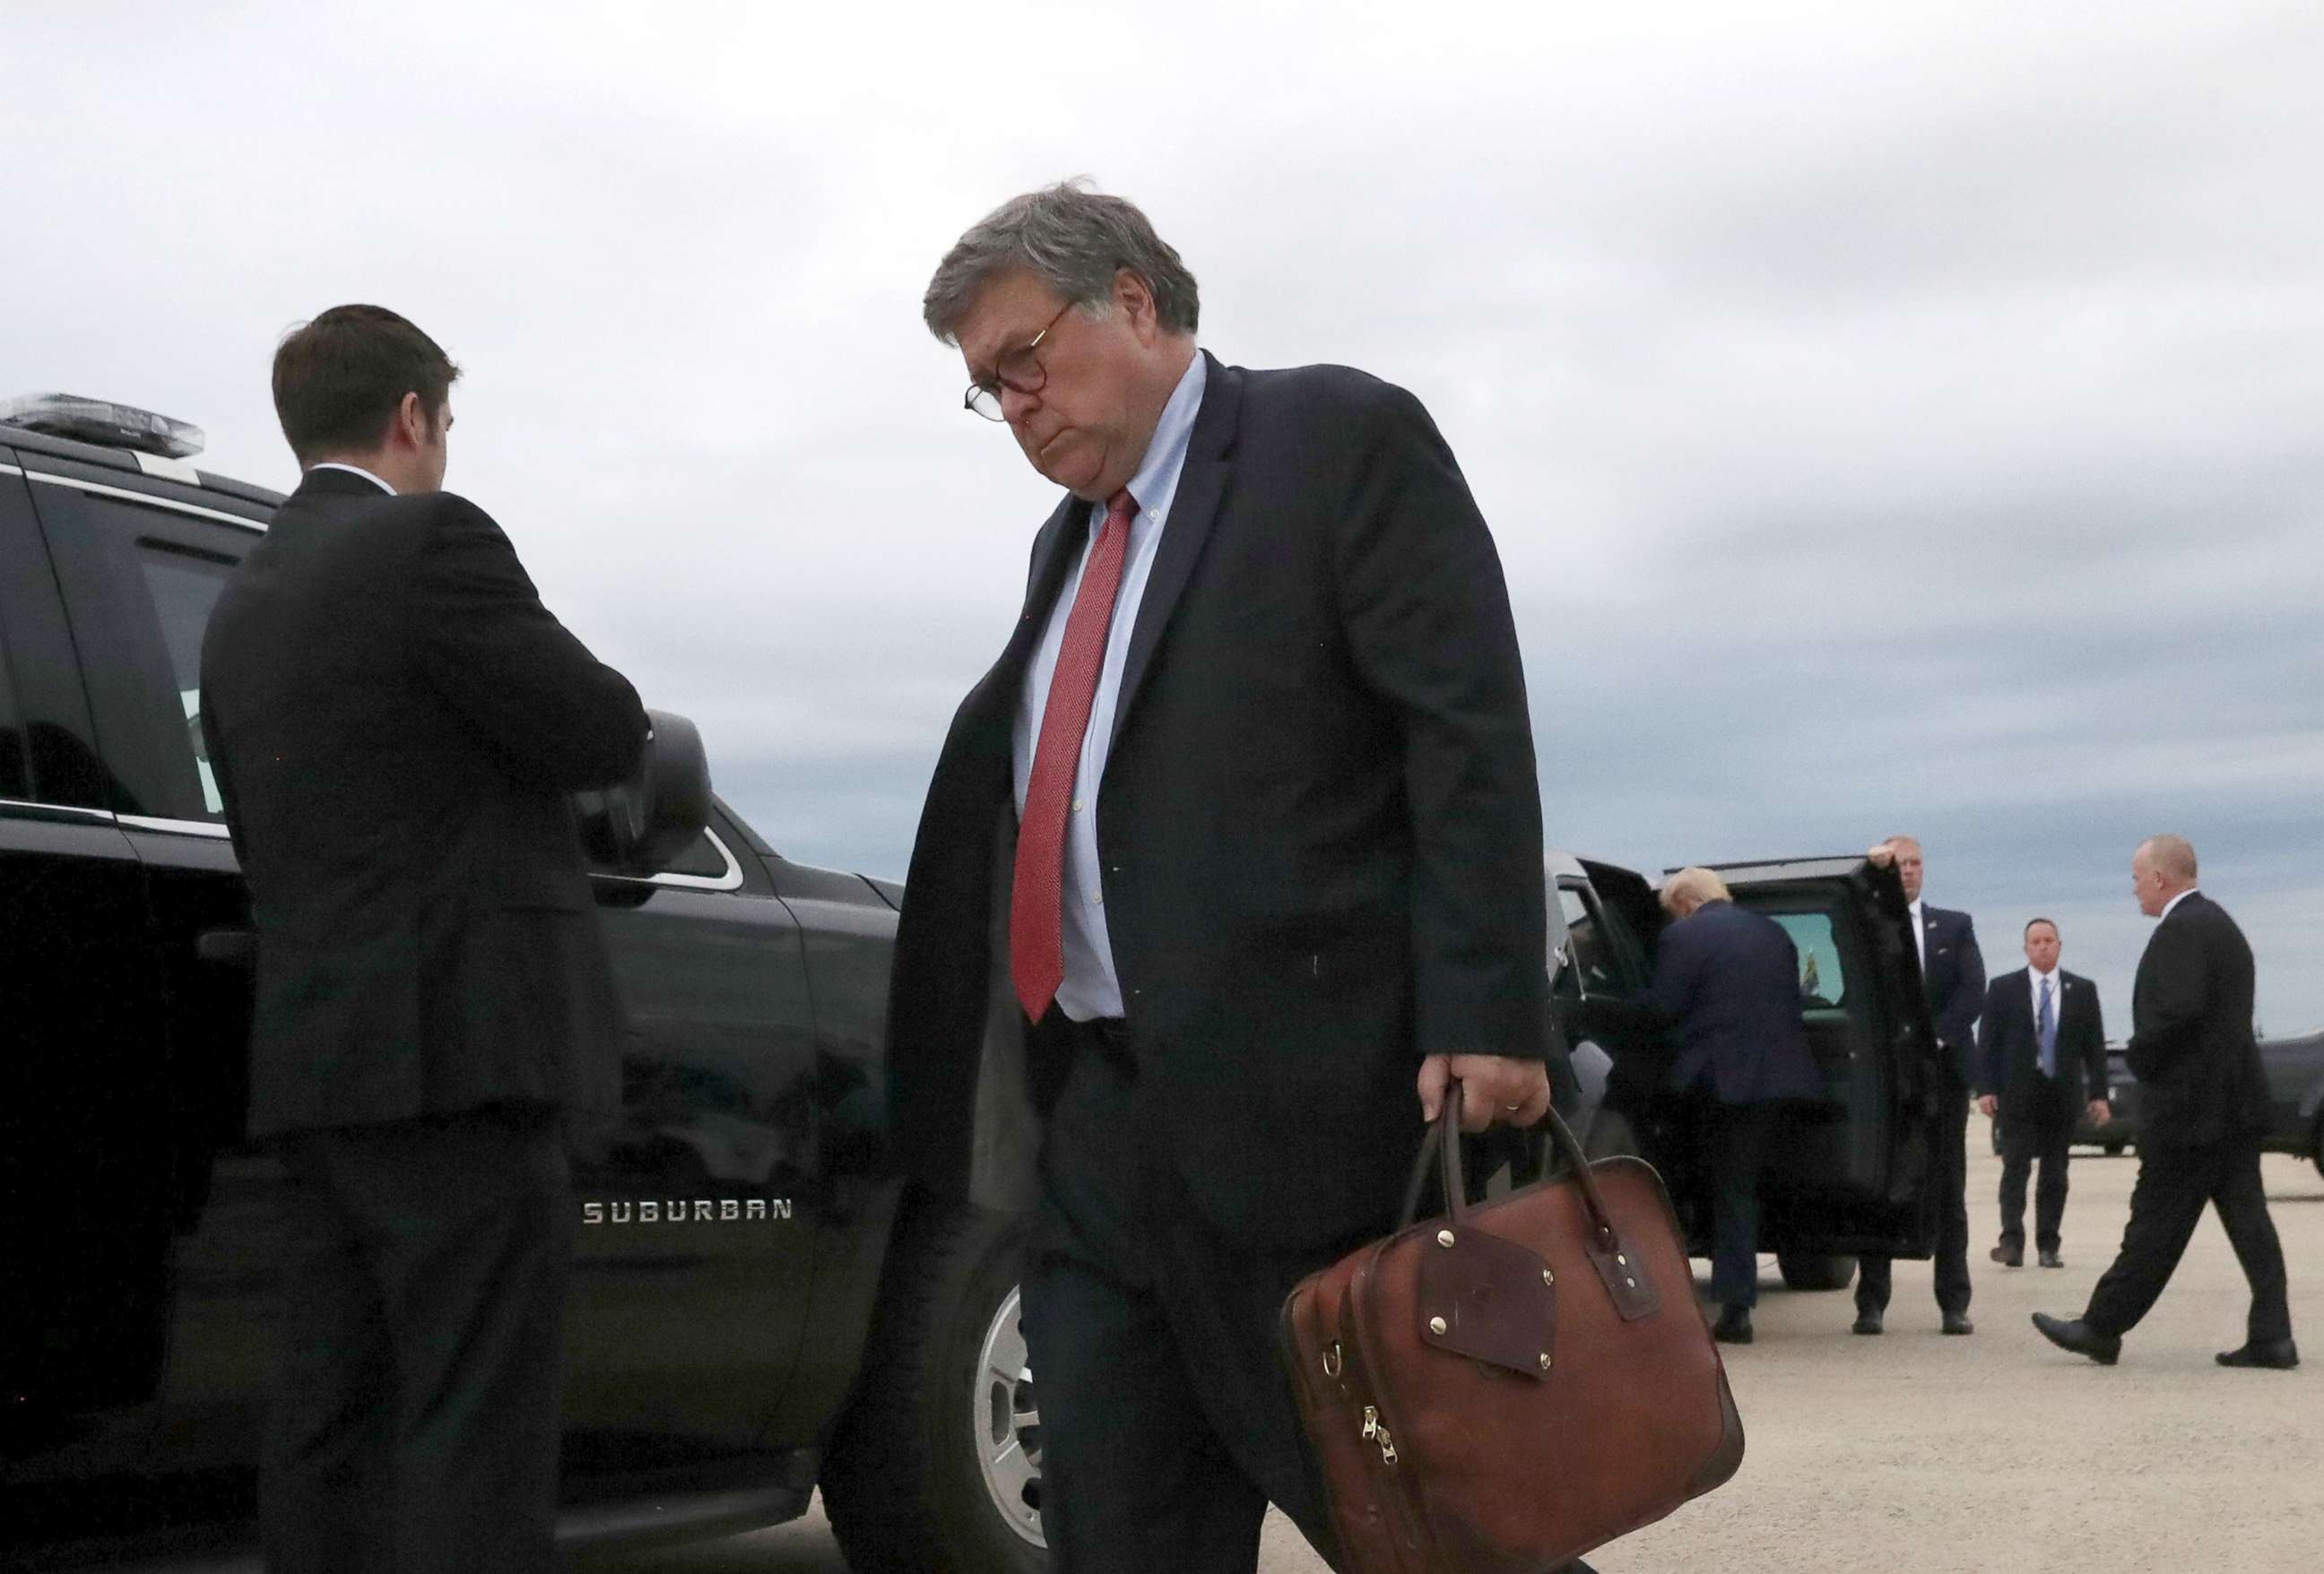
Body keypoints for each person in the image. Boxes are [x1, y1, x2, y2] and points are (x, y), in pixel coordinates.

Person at [886, 183, 1581, 1573]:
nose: (1013, 405)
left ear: (1133, 304)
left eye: (1024, 360)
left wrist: (1491, 1009)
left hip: (1311, 1115)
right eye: (984, 389)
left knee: (1432, 1527)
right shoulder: (1069, 543)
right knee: (1119, 1524)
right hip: (1098, 1124)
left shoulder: (1332, 440)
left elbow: (1461, 730)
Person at [199, 305, 649, 1570]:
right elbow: (597, 729)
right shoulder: (427, 540)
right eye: (443, 423)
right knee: (474, 1426)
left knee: (331, 1422)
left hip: (317, 1070)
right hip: (460, 1061)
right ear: (413, 418)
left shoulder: (242, 604)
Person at [2034, 836, 2297, 1370]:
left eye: (2136, 878)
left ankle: (2101, 1328)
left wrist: (2140, 1058)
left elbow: (2176, 1015)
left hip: (2190, 1115)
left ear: (2159, 878)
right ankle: (2272, 1337)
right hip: (2232, 1109)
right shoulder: (2221, 926)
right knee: (2250, 1224)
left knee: (2154, 1224)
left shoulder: (2180, 931)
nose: (2133, 890)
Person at [1647, 868, 1825, 1345]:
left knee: (1725, 1189)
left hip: (1718, 1085)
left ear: (1684, 903)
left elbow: (1661, 1009)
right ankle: (1738, 1297)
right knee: (1742, 1189)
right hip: (1779, 1082)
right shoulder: (1773, 933)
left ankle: (1734, 1306)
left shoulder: (1684, 936)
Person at [1856, 835, 1983, 1336]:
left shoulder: (1954, 925)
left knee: (1949, 1190)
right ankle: (1871, 1303)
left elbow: (1973, 991)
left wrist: (1935, 1041)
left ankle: (1954, 1302)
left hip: (1943, 1079)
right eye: (1900, 865)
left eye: (1916, 863)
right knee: (1881, 1186)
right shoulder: (1870, 925)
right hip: (1886, 1080)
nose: (1909, 871)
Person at [1976, 919, 2110, 1267]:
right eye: (2036, 942)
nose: (2043, 947)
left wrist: (2098, 1094)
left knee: (2055, 1172)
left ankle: (2049, 1245)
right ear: (2026, 948)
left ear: (2059, 945)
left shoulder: (2081, 989)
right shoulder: (2004, 988)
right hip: (2017, 1092)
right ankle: (2011, 1242)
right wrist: (1986, 1088)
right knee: (2015, 1167)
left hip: (2061, 1093)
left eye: (2049, 940)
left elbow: (2094, 1047)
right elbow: (1987, 1043)